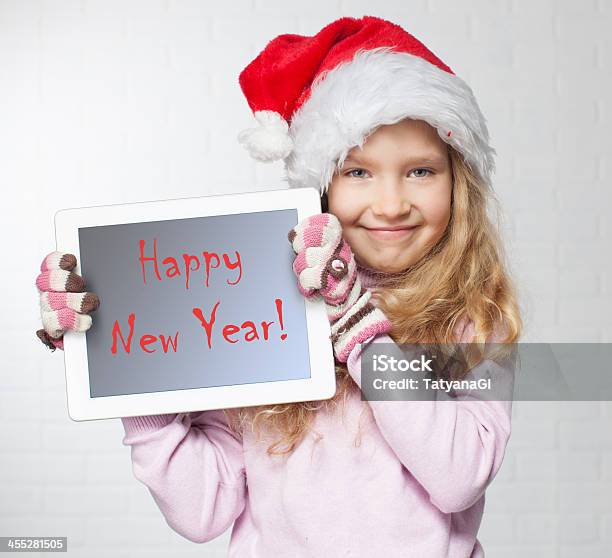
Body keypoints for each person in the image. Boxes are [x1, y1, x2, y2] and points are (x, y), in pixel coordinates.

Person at [34, 16, 523, 557]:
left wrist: (357, 325)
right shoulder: (260, 307)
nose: (390, 203)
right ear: (321, 185)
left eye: (421, 171)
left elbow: (458, 478)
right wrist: (129, 370)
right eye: (358, 172)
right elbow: (204, 512)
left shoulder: (473, 314)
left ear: (459, 181)